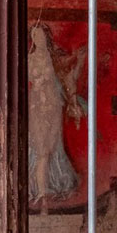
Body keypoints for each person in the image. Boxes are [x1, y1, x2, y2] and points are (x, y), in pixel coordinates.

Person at [28, 23, 86, 204]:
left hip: (53, 109)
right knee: (41, 151)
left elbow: (69, 77)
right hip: (36, 109)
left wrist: (80, 58)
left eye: (41, 35)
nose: (38, 39)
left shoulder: (55, 58)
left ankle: (48, 189)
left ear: (47, 37)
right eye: (34, 36)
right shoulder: (29, 59)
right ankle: (41, 193)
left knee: (53, 149)